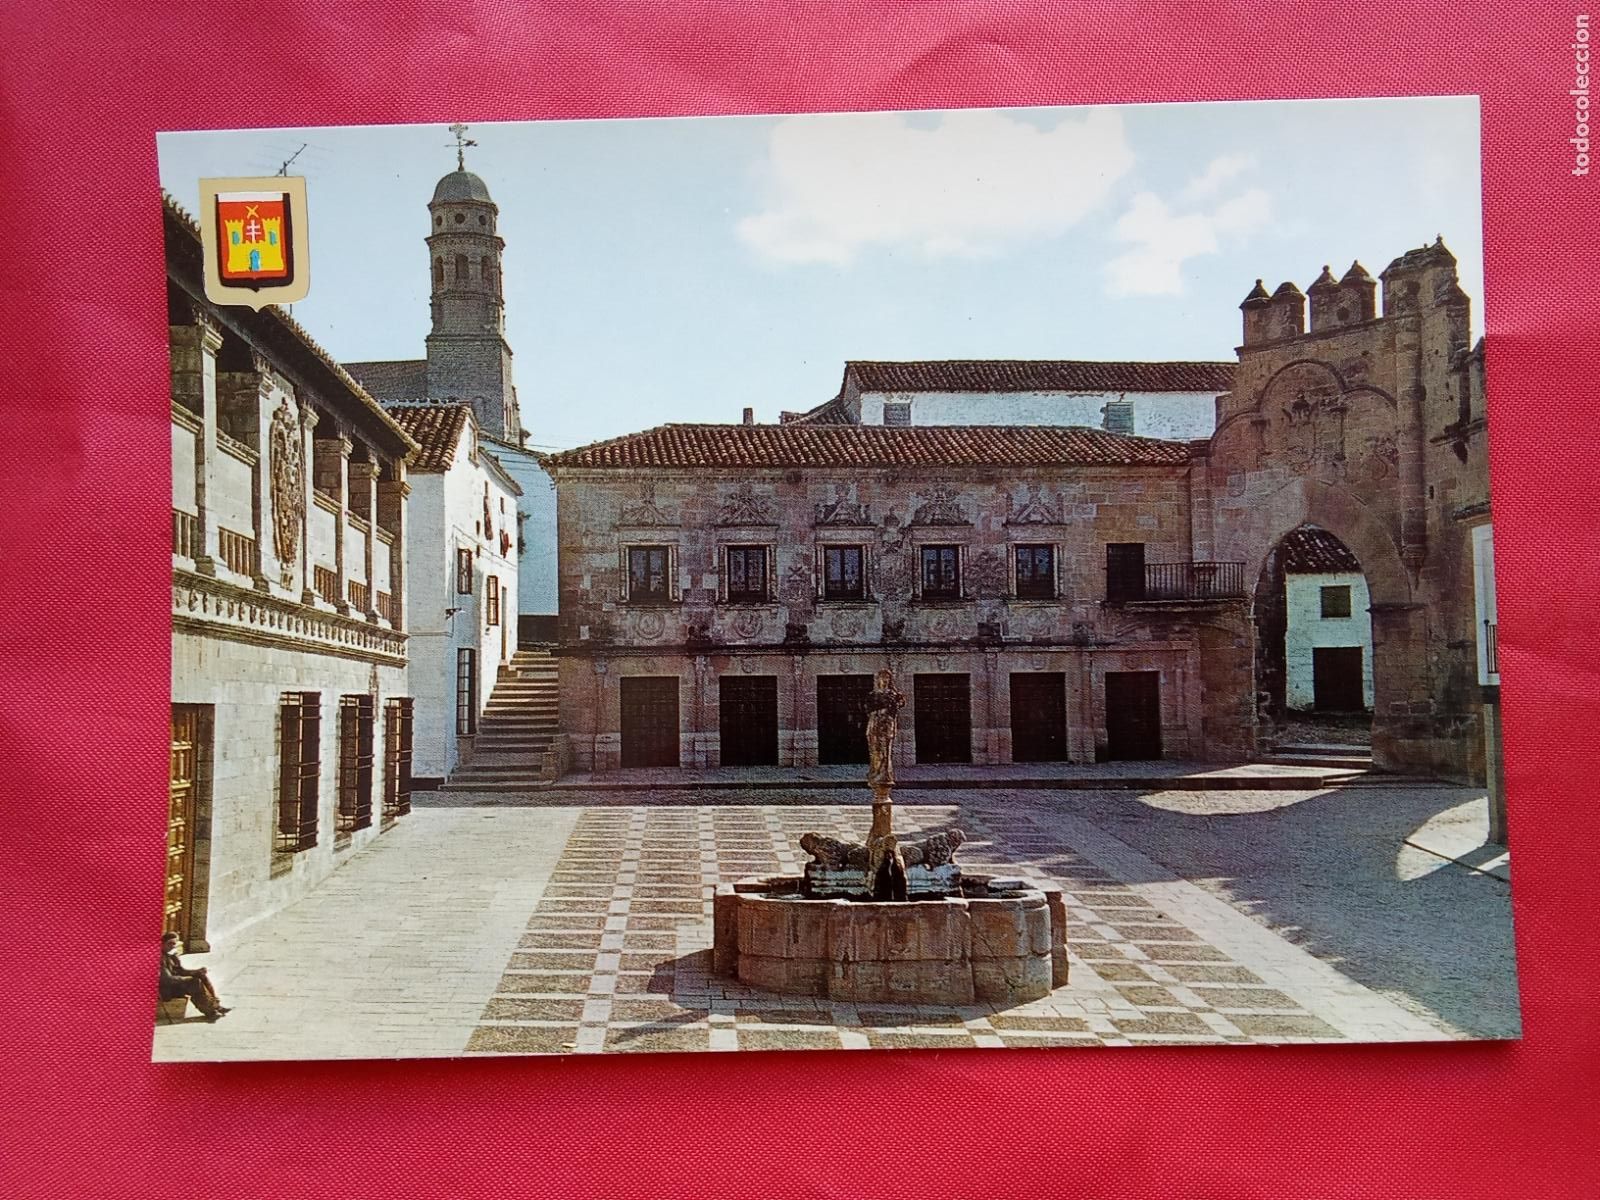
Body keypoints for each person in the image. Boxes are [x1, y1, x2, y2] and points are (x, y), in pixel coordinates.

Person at [159, 932, 230, 1022]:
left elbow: (180, 971)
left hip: (174, 984)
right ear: (162, 943)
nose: (172, 946)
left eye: (174, 944)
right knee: (194, 983)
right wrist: (188, 979)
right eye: (169, 943)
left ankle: (215, 1005)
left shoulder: (170, 956)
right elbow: (167, 979)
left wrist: (196, 972)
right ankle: (210, 1012)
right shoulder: (159, 958)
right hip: (165, 989)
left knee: (201, 975)